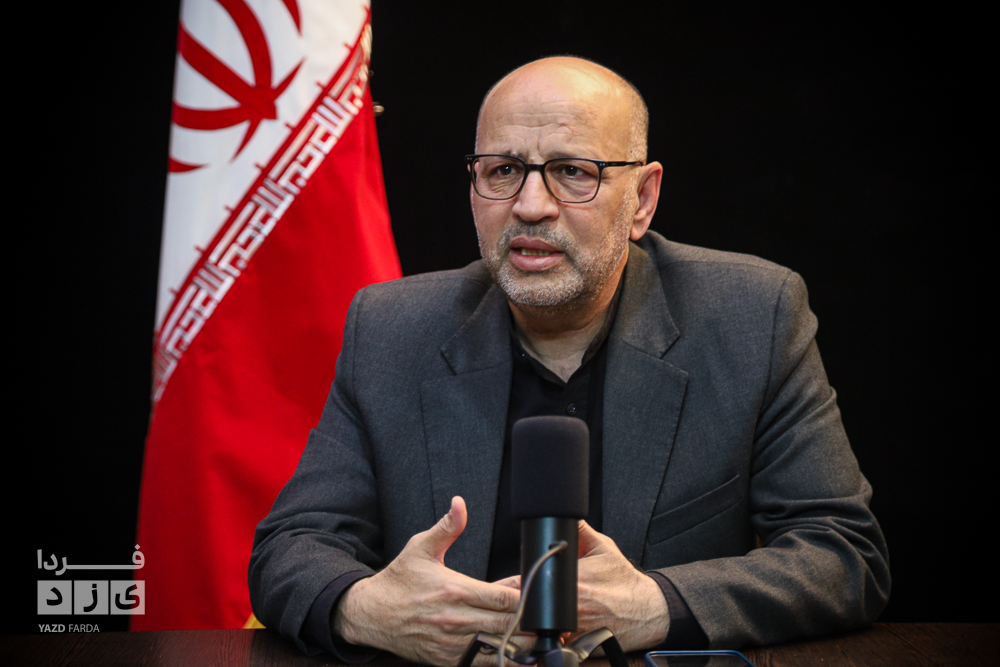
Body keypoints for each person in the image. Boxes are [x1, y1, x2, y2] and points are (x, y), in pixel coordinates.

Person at [248, 57, 890, 665]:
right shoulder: (392, 328)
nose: (531, 206)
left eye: (573, 172)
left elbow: (843, 554)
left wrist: (657, 604)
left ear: (642, 199)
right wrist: (368, 610)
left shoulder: (753, 317)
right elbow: (291, 548)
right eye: (503, 170)